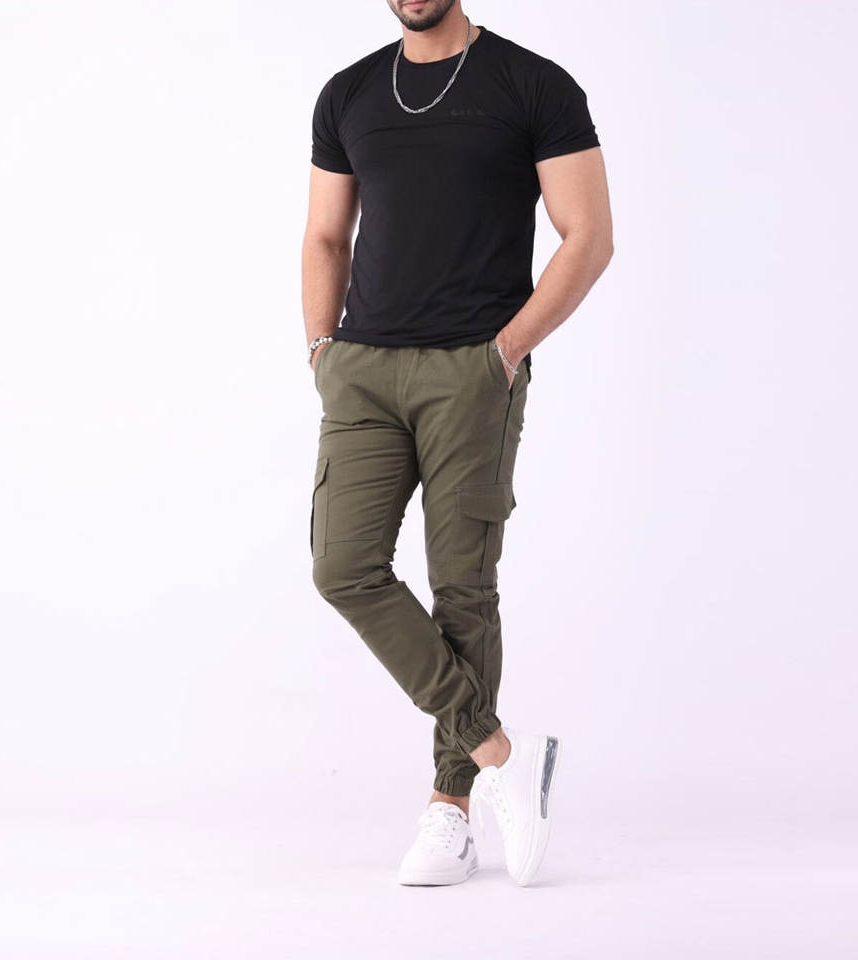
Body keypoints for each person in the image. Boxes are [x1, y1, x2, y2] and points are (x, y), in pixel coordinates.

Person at [302, 0, 613, 887]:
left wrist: (505, 352)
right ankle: (502, 753)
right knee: (343, 567)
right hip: (362, 369)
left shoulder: (534, 85)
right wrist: (321, 347)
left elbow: (589, 237)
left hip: (471, 369)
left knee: (462, 590)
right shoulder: (350, 92)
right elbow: (325, 234)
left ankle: (452, 808)